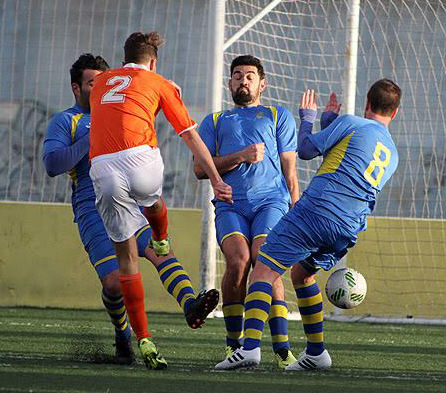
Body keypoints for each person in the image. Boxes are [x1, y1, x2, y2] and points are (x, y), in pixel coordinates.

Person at [43, 53, 217, 369]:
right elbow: (53, 164)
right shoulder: (66, 120)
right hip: (92, 207)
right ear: (76, 89)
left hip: (130, 200)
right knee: (112, 283)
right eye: (92, 84)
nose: (101, 89)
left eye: (103, 82)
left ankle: (191, 305)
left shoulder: (121, 106)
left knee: (160, 253)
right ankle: (124, 336)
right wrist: (95, 137)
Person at [215, 79, 400, 371]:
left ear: (367, 103)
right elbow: (341, 158)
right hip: (349, 225)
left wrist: (308, 119)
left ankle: (248, 349)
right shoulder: (392, 153)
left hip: (318, 210)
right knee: (302, 274)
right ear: (396, 112)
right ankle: (316, 353)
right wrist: (329, 121)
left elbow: (305, 150)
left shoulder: (354, 123)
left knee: (263, 269)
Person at [88, 32, 232, 370]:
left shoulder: (100, 83)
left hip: (103, 168)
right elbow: (189, 135)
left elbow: (120, 94)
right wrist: (216, 179)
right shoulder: (158, 82)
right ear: (153, 61)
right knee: (152, 201)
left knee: (127, 263)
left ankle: (144, 339)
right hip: (140, 161)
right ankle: (162, 236)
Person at [195, 55, 299, 369]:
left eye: (250, 76)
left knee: (265, 261)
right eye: (237, 75)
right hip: (231, 206)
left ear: (262, 84)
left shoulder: (278, 115)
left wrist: (297, 211)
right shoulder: (214, 121)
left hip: (272, 203)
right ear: (229, 83)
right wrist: (240, 155)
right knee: (239, 262)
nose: (243, 80)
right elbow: (201, 168)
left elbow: (290, 171)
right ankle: (234, 346)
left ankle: (282, 350)